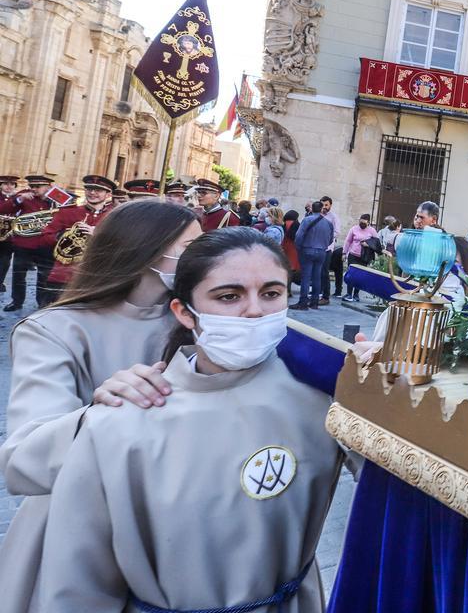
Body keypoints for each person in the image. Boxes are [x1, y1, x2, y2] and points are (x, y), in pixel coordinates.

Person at [36, 227, 345, 612]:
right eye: (229, 296)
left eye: (271, 293)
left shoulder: (319, 400)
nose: (254, 311)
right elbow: (77, 581)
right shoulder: (119, 423)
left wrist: (381, 393)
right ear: (184, 312)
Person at [0, 200, 201, 613]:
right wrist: (102, 411)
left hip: (175, 522)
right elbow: (25, 455)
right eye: (191, 248)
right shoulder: (53, 329)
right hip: (82, 528)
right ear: (145, 248)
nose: (203, 258)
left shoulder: (199, 320)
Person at [36, 174, 117, 303]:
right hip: (63, 275)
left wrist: (98, 234)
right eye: (89, 189)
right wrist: (65, 236)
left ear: (108, 194)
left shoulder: (114, 217)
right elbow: (45, 237)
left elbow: (120, 245)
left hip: (95, 278)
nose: (92, 193)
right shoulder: (68, 212)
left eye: (98, 190)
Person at [2, 174, 57, 312]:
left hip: (46, 245)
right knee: (18, 275)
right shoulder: (24, 196)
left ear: (48, 187)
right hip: (24, 244)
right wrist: (19, 199)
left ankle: (42, 303)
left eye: (38, 186)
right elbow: (3, 209)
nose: (34, 189)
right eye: (32, 186)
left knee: (44, 276)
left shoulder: (56, 198)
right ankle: (17, 302)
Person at [291, 199, 333, 311]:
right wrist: (323, 246)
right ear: (321, 209)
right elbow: (330, 239)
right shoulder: (328, 223)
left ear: (312, 209)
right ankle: (314, 302)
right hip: (321, 251)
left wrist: (299, 247)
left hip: (307, 249)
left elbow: (299, 236)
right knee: (317, 277)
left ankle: (303, 302)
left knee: (306, 277)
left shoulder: (307, 220)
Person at [341, 213, 379, 302]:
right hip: (353, 255)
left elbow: (377, 243)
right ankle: (349, 294)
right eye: (360, 222)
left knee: (360, 276)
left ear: (368, 222)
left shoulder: (372, 231)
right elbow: (348, 241)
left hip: (364, 257)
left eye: (363, 223)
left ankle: (356, 294)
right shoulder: (354, 229)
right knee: (351, 275)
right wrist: (344, 253)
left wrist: (368, 244)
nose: (361, 224)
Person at [319, 195, 341, 305]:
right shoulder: (317, 215)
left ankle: (326, 296)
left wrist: (325, 237)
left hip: (327, 248)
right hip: (317, 247)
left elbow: (337, 232)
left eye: (326, 205)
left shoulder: (334, 217)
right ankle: (317, 293)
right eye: (322, 205)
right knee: (317, 271)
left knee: (324, 272)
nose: (324, 207)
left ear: (330, 205)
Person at [0, 173, 19, 293]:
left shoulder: (18, 198)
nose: (9, 186)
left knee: (5, 260)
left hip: (9, 236)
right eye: (5, 184)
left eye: (12, 184)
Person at [281, 209, 301, 290]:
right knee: (293, 268)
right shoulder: (297, 224)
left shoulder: (284, 224)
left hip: (285, 247)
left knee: (286, 268)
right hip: (294, 248)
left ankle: (287, 289)